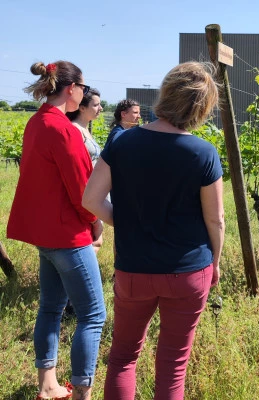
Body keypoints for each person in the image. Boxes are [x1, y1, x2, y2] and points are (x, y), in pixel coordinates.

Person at [82, 61, 223, 400]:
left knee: (122, 358)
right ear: (201, 107)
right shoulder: (204, 153)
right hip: (189, 271)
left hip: (133, 269)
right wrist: (215, 263)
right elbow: (215, 219)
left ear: (166, 93)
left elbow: (91, 200)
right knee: (174, 363)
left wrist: (128, 220)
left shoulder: (123, 143)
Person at [7, 61, 106, 400]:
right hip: (68, 236)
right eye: (84, 86)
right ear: (71, 89)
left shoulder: (36, 123)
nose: (86, 92)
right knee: (93, 315)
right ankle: (82, 392)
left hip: (43, 233)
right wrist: (97, 224)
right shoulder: (64, 129)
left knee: (50, 307)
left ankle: (47, 385)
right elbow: (84, 192)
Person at [66, 88, 104, 253]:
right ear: (82, 108)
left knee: (95, 240)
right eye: (96, 105)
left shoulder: (85, 129)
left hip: (93, 190)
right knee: (94, 242)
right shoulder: (75, 129)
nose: (100, 108)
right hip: (85, 191)